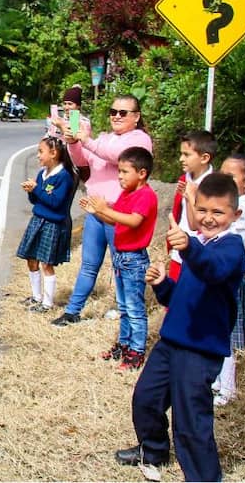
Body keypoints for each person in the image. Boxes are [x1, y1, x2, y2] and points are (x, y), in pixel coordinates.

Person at [115, 173, 245, 481]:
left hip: (200, 349)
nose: (208, 218)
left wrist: (188, 247)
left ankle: (203, 476)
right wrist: (163, 285)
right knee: (146, 398)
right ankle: (153, 450)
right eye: (202, 210)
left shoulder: (231, 248)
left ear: (235, 214)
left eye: (218, 212)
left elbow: (213, 270)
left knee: (190, 420)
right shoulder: (199, 245)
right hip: (170, 342)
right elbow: (181, 298)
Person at [52, 94, 153, 326]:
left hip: (118, 214)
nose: (116, 116)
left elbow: (118, 157)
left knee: (121, 266)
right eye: (113, 112)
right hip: (96, 211)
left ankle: (125, 312)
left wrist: (86, 139)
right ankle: (72, 311)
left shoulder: (140, 140)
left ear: (136, 117)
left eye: (123, 112)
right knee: (88, 265)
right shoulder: (105, 138)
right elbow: (83, 160)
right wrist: (73, 142)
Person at [81, 146, 158, 370]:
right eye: (119, 172)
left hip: (134, 259)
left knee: (135, 308)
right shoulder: (127, 193)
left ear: (141, 173)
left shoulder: (146, 195)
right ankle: (124, 344)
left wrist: (105, 209)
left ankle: (136, 351)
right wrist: (98, 211)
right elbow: (116, 220)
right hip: (122, 256)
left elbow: (133, 221)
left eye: (125, 172)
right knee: (124, 306)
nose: (120, 176)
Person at [212, 153, 245, 406]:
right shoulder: (230, 203)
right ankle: (218, 381)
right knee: (217, 332)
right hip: (219, 277)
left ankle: (228, 388)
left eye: (230, 176)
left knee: (227, 337)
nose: (223, 179)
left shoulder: (242, 208)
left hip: (229, 279)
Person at [16, 136, 77, 312]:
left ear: (53, 153)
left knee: (46, 263)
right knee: (31, 258)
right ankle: (36, 296)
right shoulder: (42, 174)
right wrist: (31, 191)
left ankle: (47, 303)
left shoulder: (63, 176)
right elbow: (36, 201)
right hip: (38, 220)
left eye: (41, 151)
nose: (38, 155)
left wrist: (36, 189)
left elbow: (55, 202)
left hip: (52, 224)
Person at [169, 130, 217, 280]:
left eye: (187, 155)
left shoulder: (214, 185)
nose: (181, 159)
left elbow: (199, 224)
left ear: (204, 158)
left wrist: (191, 197)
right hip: (178, 250)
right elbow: (178, 212)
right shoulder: (184, 179)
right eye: (181, 154)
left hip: (199, 252)